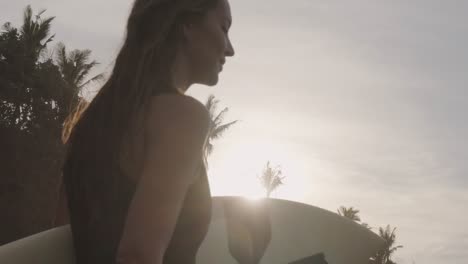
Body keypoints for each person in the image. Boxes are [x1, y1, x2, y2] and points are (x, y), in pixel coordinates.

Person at [55, 0, 235, 263]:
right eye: (223, 27)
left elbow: (54, 245)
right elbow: (138, 255)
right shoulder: (181, 116)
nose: (230, 49)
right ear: (187, 24)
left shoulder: (90, 125)